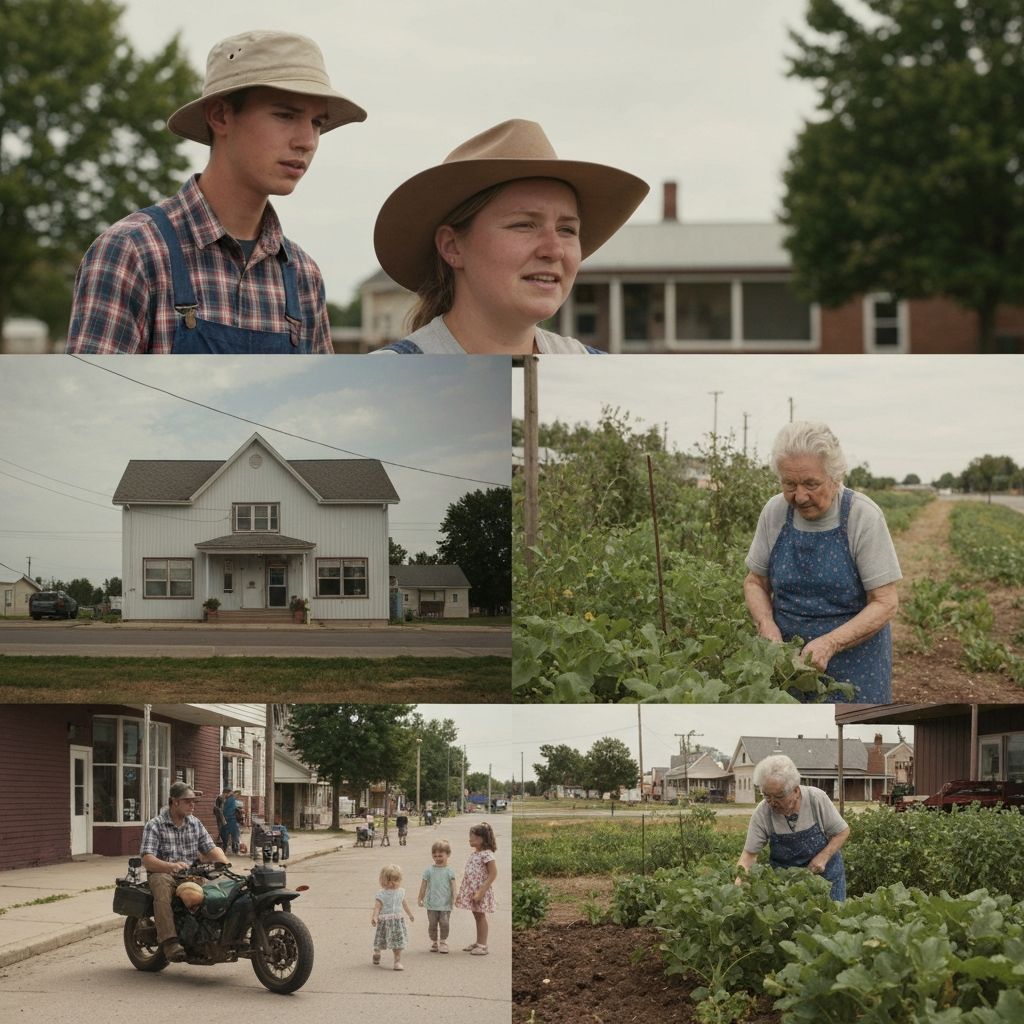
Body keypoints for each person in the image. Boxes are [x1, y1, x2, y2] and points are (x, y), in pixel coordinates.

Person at [66, 30, 366, 354]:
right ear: (220, 115)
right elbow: (94, 388)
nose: (306, 141)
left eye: (317, 122)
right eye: (286, 115)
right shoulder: (132, 252)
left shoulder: (303, 276)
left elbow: (315, 391)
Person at [372, 119, 648, 354]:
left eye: (567, 230)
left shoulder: (597, 370)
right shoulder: (389, 374)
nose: (554, 250)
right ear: (452, 246)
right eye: (524, 225)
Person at [743, 421, 902, 702]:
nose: (800, 496)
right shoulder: (775, 512)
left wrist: (831, 643)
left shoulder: (862, 516)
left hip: (855, 668)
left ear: (835, 477)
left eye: (811, 484)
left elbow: (885, 602)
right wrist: (766, 625)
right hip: (787, 667)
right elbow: (755, 582)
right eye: (789, 484)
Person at [735, 754, 849, 901]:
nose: (772, 802)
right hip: (786, 886)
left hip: (826, 880)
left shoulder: (816, 799)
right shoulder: (763, 812)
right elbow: (749, 855)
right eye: (767, 796)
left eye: (779, 796)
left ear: (796, 791)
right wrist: (738, 885)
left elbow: (842, 832)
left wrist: (824, 856)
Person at [140, 782, 229, 962]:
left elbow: (211, 848)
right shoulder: (155, 825)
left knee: (220, 892)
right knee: (162, 890)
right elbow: (147, 859)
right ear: (174, 802)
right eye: (188, 801)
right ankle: (169, 942)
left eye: (193, 801)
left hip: (191, 874)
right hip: (163, 873)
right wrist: (170, 866)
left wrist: (224, 862)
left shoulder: (194, 823)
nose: (192, 805)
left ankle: (213, 938)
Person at [455, 822, 498, 955]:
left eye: (472, 837)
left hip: (480, 891)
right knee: (477, 916)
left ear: (481, 839)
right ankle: (479, 942)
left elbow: (493, 874)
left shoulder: (487, 854)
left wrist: (481, 891)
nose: (469, 839)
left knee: (480, 917)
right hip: (472, 890)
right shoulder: (476, 853)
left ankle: (482, 946)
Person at [371, 864, 415, 970]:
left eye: (396, 880)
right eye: (389, 880)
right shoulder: (381, 894)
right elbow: (377, 907)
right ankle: (377, 952)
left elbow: (404, 904)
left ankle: (397, 961)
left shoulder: (401, 892)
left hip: (397, 922)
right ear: (383, 880)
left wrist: (410, 914)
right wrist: (375, 917)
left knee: (398, 943)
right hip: (385, 922)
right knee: (381, 939)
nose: (392, 883)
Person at [418, 839, 457, 953]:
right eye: (435, 856)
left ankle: (443, 942)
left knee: (444, 923)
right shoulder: (429, 871)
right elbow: (423, 885)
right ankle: (434, 942)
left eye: (440, 855)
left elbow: (453, 885)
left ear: (448, 854)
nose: (437, 858)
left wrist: (455, 897)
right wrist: (420, 897)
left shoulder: (449, 871)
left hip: (445, 903)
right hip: (431, 904)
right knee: (432, 924)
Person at [222, 789, 242, 854]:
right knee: (234, 836)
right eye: (237, 795)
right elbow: (229, 810)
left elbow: (226, 810)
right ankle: (235, 849)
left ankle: (226, 849)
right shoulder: (232, 800)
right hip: (231, 820)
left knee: (227, 836)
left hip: (227, 820)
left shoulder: (228, 800)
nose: (237, 797)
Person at [214, 786, 232, 851]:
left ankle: (225, 847)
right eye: (229, 794)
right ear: (225, 793)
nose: (229, 795)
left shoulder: (224, 798)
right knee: (223, 833)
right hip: (221, 819)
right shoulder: (220, 798)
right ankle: (224, 848)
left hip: (224, 819)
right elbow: (219, 810)